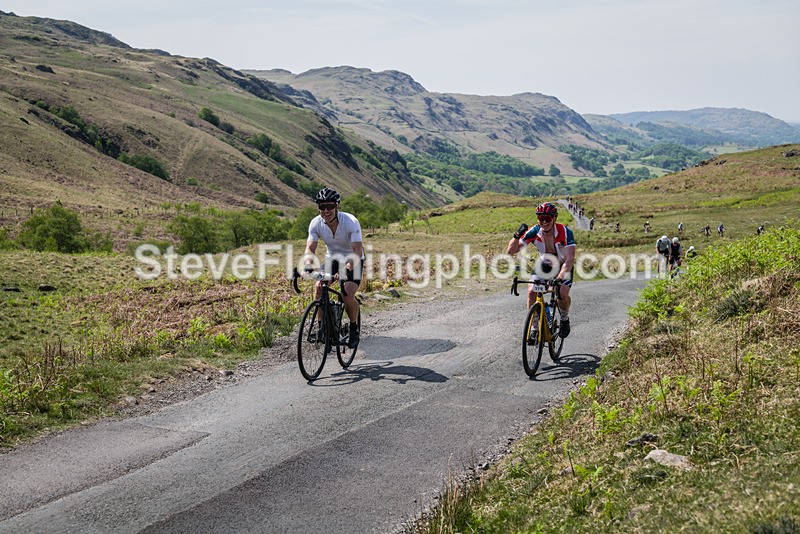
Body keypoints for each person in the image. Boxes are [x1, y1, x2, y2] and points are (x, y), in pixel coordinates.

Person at [303, 187, 364, 348]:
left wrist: (347, 269)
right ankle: (323, 327)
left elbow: (358, 251)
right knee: (319, 287)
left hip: (353, 258)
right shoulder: (316, 223)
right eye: (322, 207)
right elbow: (311, 248)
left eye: (329, 206)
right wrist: (308, 265)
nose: (326, 210)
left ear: (337, 206)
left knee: (347, 293)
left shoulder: (350, 221)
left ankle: (353, 328)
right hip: (333, 258)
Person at [507, 202, 576, 339]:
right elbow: (511, 251)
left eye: (548, 218)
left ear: (554, 218)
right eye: (541, 218)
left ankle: (564, 318)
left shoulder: (565, 232)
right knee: (532, 291)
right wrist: (517, 236)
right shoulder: (534, 232)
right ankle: (534, 326)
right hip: (544, 265)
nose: (544, 222)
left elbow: (569, 260)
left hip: (563, 265)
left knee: (561, 293)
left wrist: (561, 277)